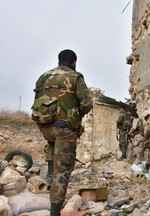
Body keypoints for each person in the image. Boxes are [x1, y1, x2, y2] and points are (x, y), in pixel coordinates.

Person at [31, 49, 93, 216]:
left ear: (59, 60)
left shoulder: (43, 77)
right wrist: (75, 114)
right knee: (63, 168)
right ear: (74, 63)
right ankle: (55, 210)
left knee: (52, 148)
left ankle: (50, 177)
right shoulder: (75, 77)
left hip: (44, 126)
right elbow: (86, 104)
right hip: (64, 129)